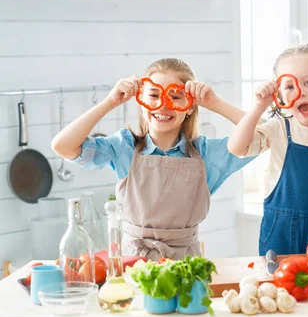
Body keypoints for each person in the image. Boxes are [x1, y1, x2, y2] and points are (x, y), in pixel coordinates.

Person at [51, 58, 254, 260]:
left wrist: (215, 103)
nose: (162, 105)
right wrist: (110, 102)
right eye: (154, 95)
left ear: (190, 105)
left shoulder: (207, 154)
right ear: (142, 102)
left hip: (187, 266)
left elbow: (269, 134)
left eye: (175, 97)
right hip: (134, 265)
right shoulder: (124, 147)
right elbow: (63, 146)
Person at [227, 45, 308, 262]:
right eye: (289, 86)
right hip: (278, 234)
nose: (300, 91)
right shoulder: (277, 130)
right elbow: (237, 147)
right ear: (280, 95)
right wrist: (259, 106)